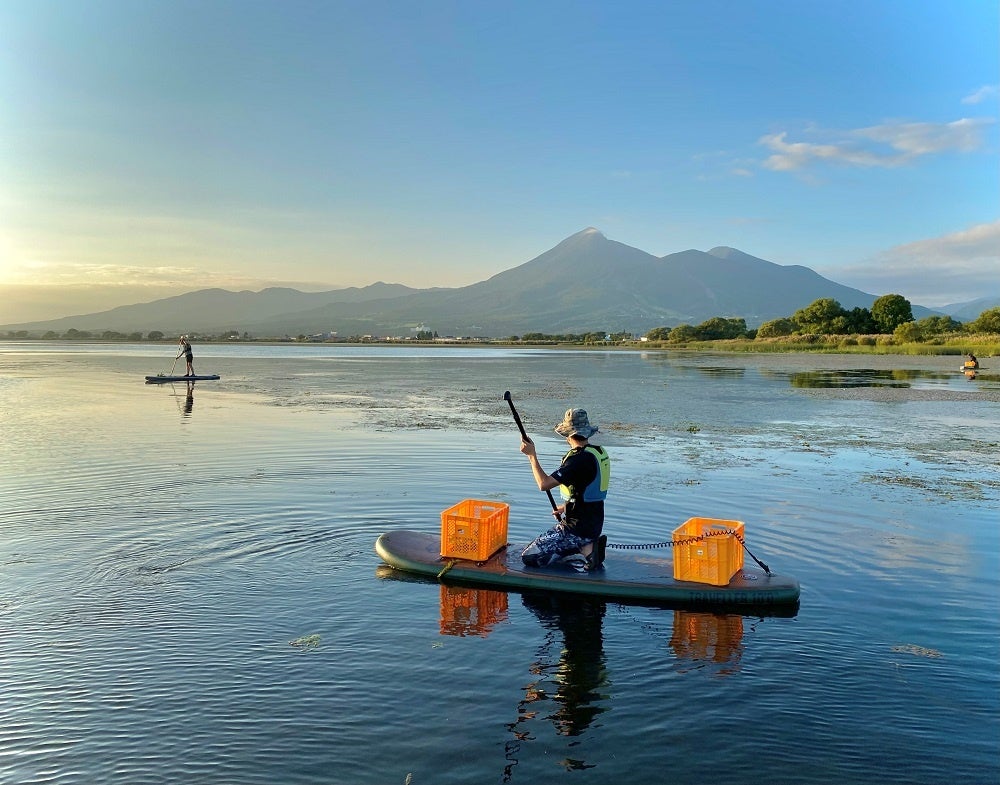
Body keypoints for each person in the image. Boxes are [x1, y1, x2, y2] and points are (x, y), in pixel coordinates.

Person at [519, 408, 610, 572]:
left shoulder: (576, 461)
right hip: (594, 525)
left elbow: (544, 484)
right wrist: (564, 507)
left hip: (574, 529)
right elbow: (587, 491)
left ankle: (583, 548)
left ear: (569, 435)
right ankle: (588, 548)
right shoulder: (597, 453)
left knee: (528, 556)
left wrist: (531, 455)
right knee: (552, 546)